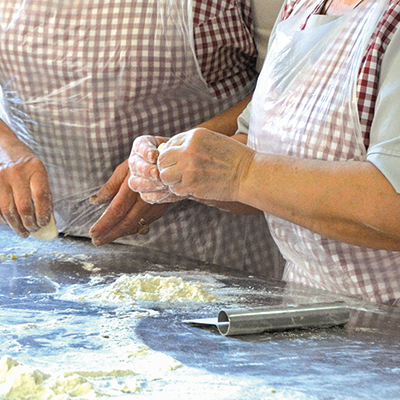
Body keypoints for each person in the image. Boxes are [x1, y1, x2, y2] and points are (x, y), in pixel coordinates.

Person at [129, 0, 400, 305]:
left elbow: (393, 205)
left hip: (388, 322)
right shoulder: (301, 7)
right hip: (310, 309)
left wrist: (241, 172)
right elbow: (259, 152)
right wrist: (188, 168)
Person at [0, 0, 284, 277]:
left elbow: (288, 90)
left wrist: (177, 160)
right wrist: (5, 148)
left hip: (208, 252)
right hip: (42, 256)